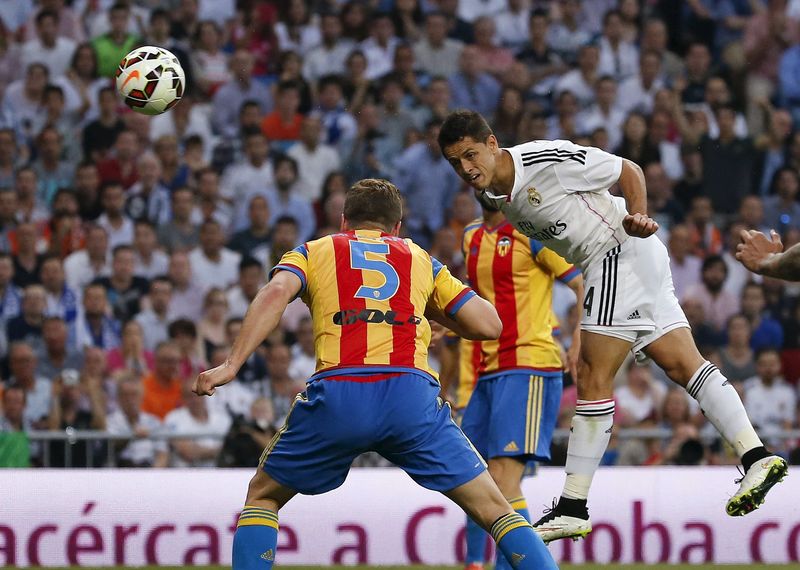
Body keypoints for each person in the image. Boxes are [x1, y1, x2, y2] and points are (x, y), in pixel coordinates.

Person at [439, 110, 787, 543]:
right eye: (456, 162)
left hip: (618, 252)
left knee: (591, 375)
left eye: (471, 154)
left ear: (492, 144)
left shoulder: (543, 159)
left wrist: (639, 217)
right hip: (630, 261)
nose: (467, 168)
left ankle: (572, 505)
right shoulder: (498, 196)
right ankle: (756, 456)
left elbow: (628, 169)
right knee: (684, 367)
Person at [193, 178, 556, 569]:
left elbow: (276, 292)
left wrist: (232, 363)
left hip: (339, 392)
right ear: (396, 227)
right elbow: (489, 325)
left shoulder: (315, 250)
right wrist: (429, 311)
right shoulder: (420, 259)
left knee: (263, 495)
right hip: (409, 396)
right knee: (495, 508)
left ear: (344, 221)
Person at [457, 205, 583, 570]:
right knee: (476, 479)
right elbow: (482, 300)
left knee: (500, 479)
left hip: (528, 364)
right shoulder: (471, 236)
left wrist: (578, 336)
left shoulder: (533, 233)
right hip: (487, 369)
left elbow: (580, 280)